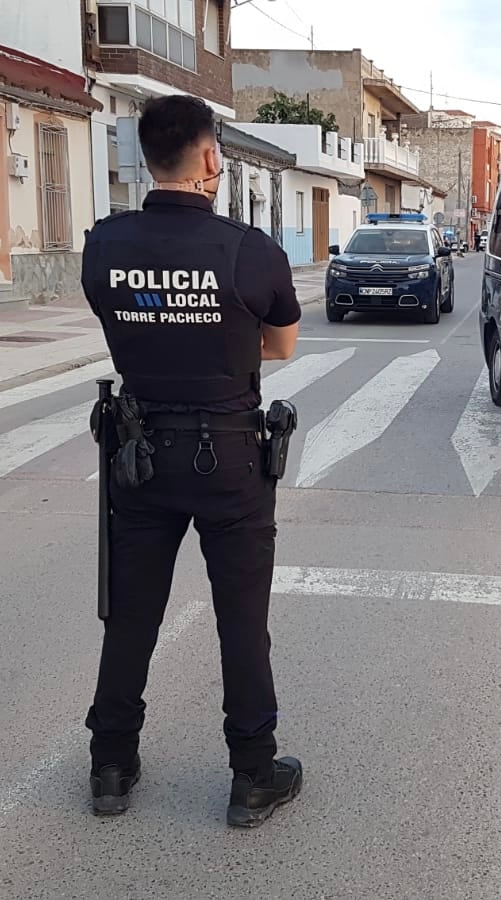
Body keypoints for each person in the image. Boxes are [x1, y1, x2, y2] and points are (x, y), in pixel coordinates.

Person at [80, 94, 303, 828]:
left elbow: (119, 324)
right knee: (242, 619)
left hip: (138, 454)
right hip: (231, 458)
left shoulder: (104, 246)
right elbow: (279, 347)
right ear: (211, 158)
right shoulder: (251, 250)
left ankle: (110, 764)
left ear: (147, 157)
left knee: (132, 614)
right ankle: (251, 776)